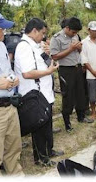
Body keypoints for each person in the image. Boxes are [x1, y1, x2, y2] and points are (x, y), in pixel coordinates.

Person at [14, 18, 63, 167]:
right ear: (34, 31)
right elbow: (27, 73)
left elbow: (48, 64)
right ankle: (41, 158)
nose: (43, 36)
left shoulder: (36, 45)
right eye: (42, 33)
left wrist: (49, 56)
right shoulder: (24, 47)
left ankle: (49, 150)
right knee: (39, 126)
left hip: (44, 93)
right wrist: (48, 71)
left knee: (46, 124)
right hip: (33, 94)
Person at [0, 9, 23, 175]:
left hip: (10, 107)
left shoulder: (1, 46)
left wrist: (13, 79)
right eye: (1, 28)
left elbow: (8, 70)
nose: (4, 31)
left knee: (14, 151)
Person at [50, 17, 89, 132]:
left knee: (80, 93)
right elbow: (55, 56)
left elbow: (80, 51)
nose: (75, 34)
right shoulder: (56, 38)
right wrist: (71, 49)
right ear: (67, 28)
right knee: (68, 96)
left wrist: (79, 48)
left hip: (77, 68)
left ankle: (81, 117)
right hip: (66, 70)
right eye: (73, 32)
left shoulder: (75, 36)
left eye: (76, 32)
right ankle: (67, 123)